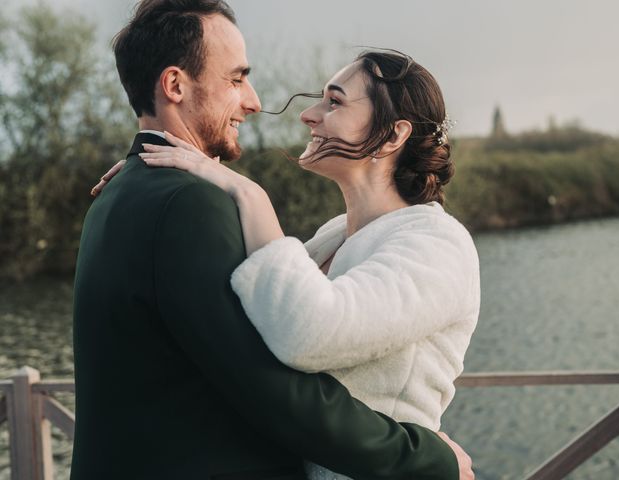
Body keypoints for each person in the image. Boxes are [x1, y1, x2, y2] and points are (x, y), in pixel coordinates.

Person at [74, 0, 474, 479]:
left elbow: (292, 324)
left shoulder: (433, 242)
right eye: (237, 78)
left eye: (334, 101)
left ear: (392, 137)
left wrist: (231, 187)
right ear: (175, 85)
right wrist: (430, 459)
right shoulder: (188, 204)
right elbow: (274, 381)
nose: (263, 103)